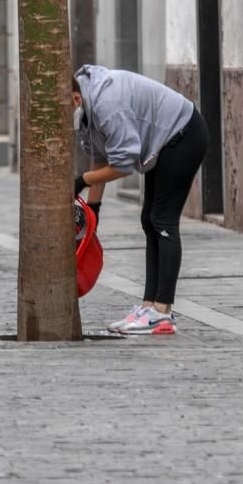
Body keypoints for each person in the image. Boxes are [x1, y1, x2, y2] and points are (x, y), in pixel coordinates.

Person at [73, 64, 208, 335]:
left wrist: (80, 182)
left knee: (163, 220)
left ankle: (162, 313)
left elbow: (122, 165)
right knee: (149, 220)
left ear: (75, 98)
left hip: (183, 135)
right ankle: (150, 307)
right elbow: (101, 158)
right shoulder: (86, 108)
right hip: (162, 144)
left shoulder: (107, 102)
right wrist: (94, 209)